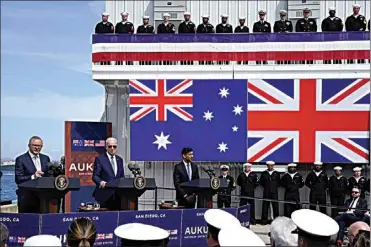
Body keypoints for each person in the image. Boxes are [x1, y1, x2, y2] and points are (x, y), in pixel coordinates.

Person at [15, 136, 51, 213]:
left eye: (39, 146)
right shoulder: (21, 159)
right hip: (27, 199)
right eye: (34, 145)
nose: (37, 148)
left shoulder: (46, 158)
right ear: (29, 145)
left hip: (43, 199)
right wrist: (33, 176)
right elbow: (18, 179)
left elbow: (49, 176)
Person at [92, 137, 125, 210]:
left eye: (114, 146)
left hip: (118, 196)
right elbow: (95, 176)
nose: (112, 148)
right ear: (106, 147)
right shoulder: (100, 159)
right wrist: (101, 182)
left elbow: (122, 176)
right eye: (110, 146)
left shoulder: (120, 160)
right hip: (104, 195)